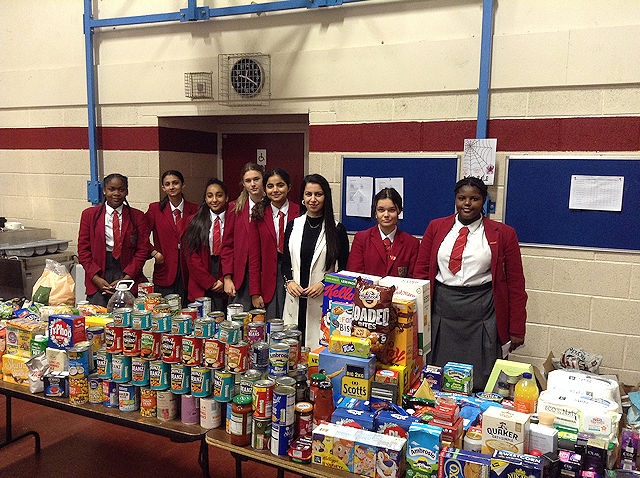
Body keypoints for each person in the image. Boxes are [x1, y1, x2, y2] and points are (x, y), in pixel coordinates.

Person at [414, 176, 527, 390]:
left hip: (482, 311)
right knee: (439, 375)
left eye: (474, 198)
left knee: (480, 379)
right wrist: (417, 315)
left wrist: (517, 328)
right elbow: (421, 272)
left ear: (484, 200)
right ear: (455, 199)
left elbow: (516, 283)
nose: (467, 203)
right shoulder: (436, 227)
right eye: (461, 198)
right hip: (442, 309)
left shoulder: (503, 234)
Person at [282, 174, 350, 347]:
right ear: (303, 197)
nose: (313, 199)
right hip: (295, 299)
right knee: (291, 351)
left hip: (321, 302)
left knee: (316, 353)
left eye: (318, 194)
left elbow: (344, 269)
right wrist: (289, 282)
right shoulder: (293, 225)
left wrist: (324, 284)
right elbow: (285, 262)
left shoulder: (337, 229)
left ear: (325, 196)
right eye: (308, 194)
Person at [77, 173, 151, 306]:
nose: (116, 193)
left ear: (126, 192)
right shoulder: (89, 215)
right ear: (104, 190)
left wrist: (126, 279)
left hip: (128, 272)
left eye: (121, 189)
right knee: (99, 317)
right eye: (111, 189)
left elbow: (143, 250)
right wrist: (96, 278)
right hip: (99, 273)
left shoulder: (138, 216)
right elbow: (83, 251)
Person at [248, 168, 301, 319]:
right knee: (272, 324)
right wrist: (255, 292)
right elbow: (254, 257)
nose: (275, 190)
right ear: (265, 189)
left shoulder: (301, 212)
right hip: (268, 280)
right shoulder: (258, 214)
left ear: (289, 187)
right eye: (270, 186)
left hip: (294, 276)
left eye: (280, 185)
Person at [145, 170, 198, 303]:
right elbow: (140, 236)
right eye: (167, 184)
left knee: (186, 310)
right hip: (165, 268)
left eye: (175, 183)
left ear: (183, 185)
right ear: (163, 188)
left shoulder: (195, 209)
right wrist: (154, 252)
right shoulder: (155, 209)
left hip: (188, 269)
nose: (172, 187)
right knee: (164, 309)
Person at [346, 187, 420, 278]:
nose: (386, 215)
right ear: (375, 212)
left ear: (399, 211)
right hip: (368, 291)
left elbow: (413, 279)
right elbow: (354, 275)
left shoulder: (412, 243)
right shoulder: (361, 239)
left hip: (399, 291)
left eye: (391, 210)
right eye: (381, 210)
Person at [221, 163, 265, 310]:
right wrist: (227, 278)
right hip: (241, 276)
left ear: (263, 179)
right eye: (248, 181)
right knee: (239, 323)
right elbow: (227, 245)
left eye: (256, 179)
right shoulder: (235, 208)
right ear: (243, 183)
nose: (253, 184)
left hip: (266, 274)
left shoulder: (272, 206)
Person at [182, 178, 229, 310]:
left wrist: (223, 278)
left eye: (219, 195)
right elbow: (191, 256)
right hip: (201, 276)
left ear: (226, 198)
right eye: (210, 196)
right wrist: (210, 282)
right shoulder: (194, 221)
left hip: (224, 272)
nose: (214, 200)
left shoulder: (234, 220)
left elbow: (236, 253)